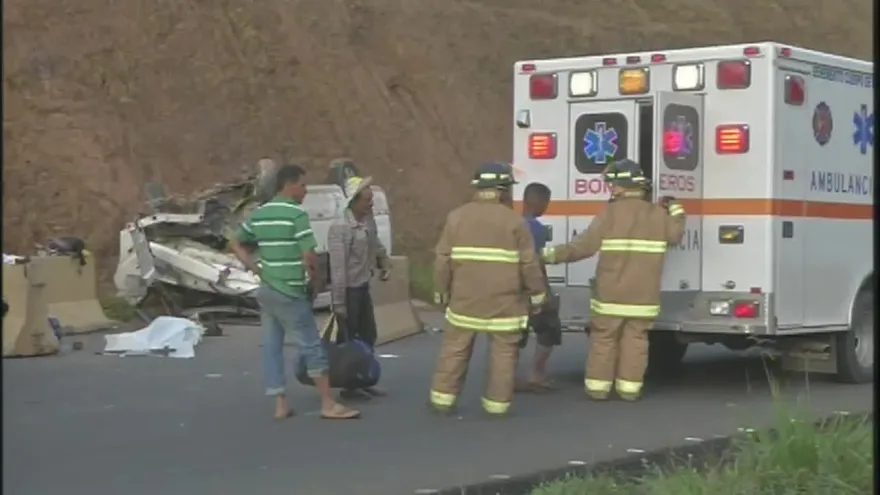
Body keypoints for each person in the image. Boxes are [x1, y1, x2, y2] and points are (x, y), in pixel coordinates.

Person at [541, 159, 685, 401]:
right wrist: (677, 210)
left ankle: (598, 389)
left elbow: (583, 247)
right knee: (637, 340)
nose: (610, 188)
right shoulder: (659, 216)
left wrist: (549, 255)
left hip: (610, 295)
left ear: (621, 186)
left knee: (604, 339)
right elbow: (676, 234)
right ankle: (629, 390)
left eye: (612, 184)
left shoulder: (609, 214)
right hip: (643, 297)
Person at [228, 164, 360, 421]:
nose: (306, 190)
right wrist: (317, 279)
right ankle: (327, 404)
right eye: (302, 185)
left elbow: (234, 240)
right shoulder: (296, 215)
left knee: (272, 346)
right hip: (290, 290)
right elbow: (309, 255)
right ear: (288, 186)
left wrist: (255, 268)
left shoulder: (261, 213)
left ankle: (280, 404)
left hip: (267, 289)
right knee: (312, 345)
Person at [428, 162, 547, 418]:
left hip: (464, 302)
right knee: (503, 354)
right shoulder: (516, 222)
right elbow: (529, 263)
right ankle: (497, 406)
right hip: (505, 306)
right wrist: (538, 295)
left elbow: (442, 259)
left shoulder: (456, 217)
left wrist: (441, 291)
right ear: (503, 190)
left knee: (455, 350)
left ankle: (442, 400)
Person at [327, 175, 392, 401]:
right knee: (349, 339)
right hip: (348, 290)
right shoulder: (341, 228)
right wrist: (339, 303)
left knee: (368, 335)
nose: (371, 203)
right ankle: (350, 384)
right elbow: (337, 269)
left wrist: (384, 261)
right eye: (366, 199)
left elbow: (376, 243)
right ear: (353, 201)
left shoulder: (368, 221)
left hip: (363, 285)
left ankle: (364, 378)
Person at [516, 182, 563, 393]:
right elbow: (536, 264)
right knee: (549, 328)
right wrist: (546, 293)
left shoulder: (511, 224)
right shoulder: (537, 229)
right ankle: (537, 373)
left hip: (511, 290)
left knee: (515, 335)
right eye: (547, 202)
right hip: (531, 288)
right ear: (539, 201)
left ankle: (506, 377)